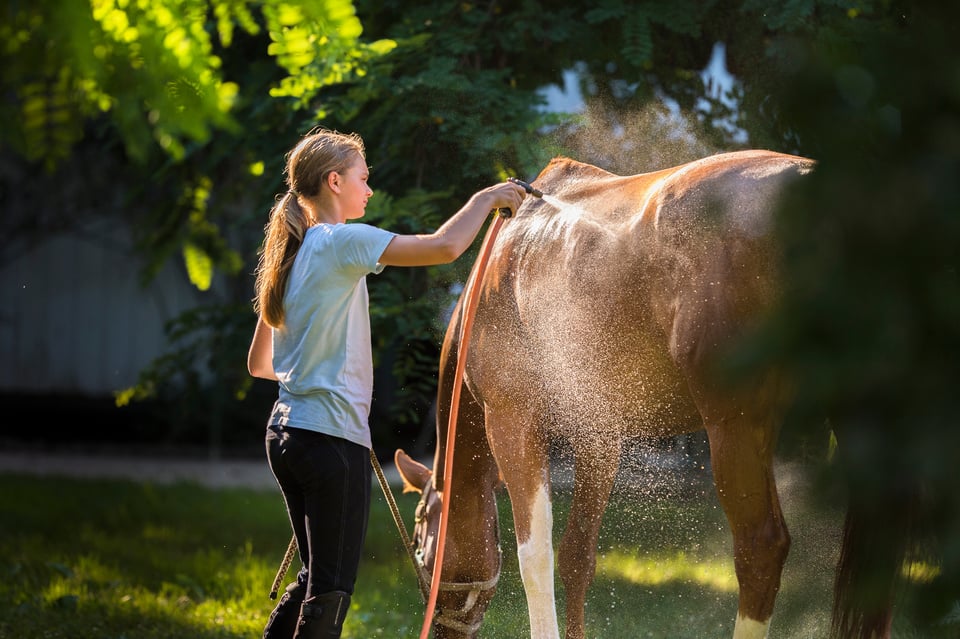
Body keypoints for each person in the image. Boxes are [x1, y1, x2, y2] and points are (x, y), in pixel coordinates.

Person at [246, 127, 526, 639]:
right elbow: (443, 248)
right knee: (329, 589)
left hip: (284, 435)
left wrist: (316, 374)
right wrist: (488, 199)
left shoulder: (289, 256)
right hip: (330, 443)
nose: (369, 190)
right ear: (334, 181)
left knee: (313, 577)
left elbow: (260, 364)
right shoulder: (340, 241)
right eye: (362, 178)